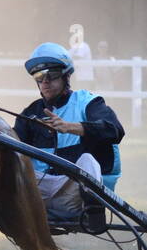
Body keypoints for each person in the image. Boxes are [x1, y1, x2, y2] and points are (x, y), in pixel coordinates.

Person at [14, 42, 124, 232]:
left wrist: (70, 128)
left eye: (52, 75)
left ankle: (94, 215)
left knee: (88, 160)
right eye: (39, 76)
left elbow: (114, 130)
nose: (45, 81)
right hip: (38, 193)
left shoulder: (87, 102)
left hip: (73, 193)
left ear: (67, 76)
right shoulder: (30, 114)